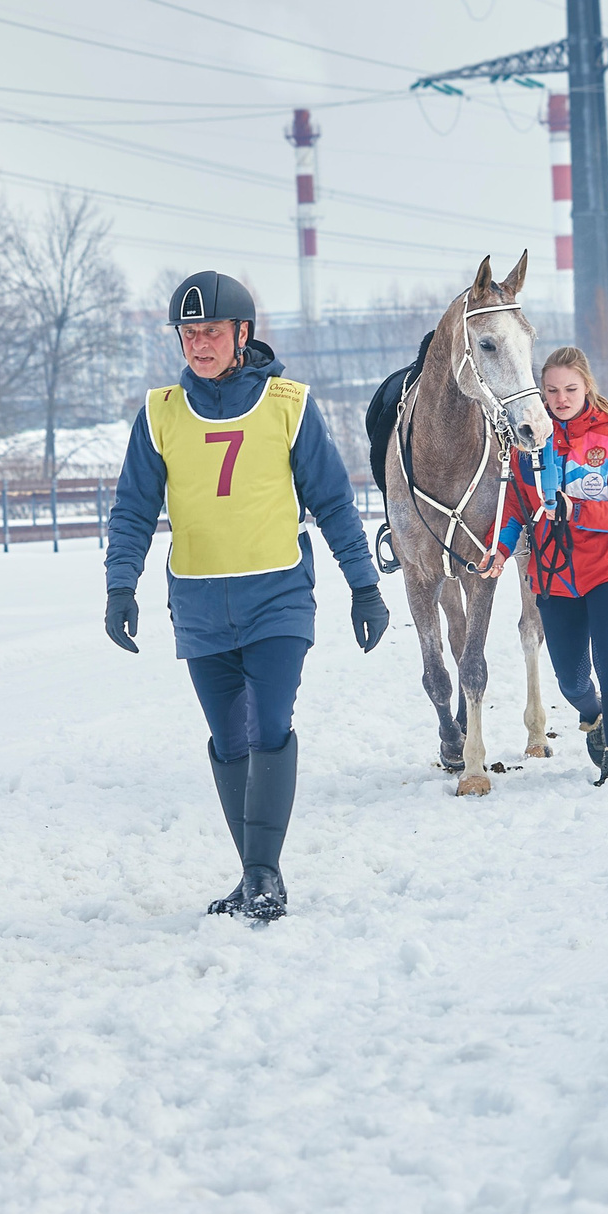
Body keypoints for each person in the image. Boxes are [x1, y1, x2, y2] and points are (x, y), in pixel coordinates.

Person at [104, 271, 389, 924]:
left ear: (241, 334)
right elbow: (132, 509)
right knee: (229, 740)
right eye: (188, 332)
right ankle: (256, 874)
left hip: (278, 599)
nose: (197, 344)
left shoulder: (289, 403)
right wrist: (121, 583)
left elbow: (334, 503)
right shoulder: (160, 413)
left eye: (209, 331)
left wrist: (365, 586)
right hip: (200, 605)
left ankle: (262, 874)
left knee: (269, 726)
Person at [480, 347, 608, 782]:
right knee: (572, 683)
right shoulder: (529, 442)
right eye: (552, 390)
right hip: (554, 579)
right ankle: (594, 717)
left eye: (570, 388)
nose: (561, 398)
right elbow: (516, 507)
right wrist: (498, 550)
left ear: (586, 387)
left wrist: (578, 511)